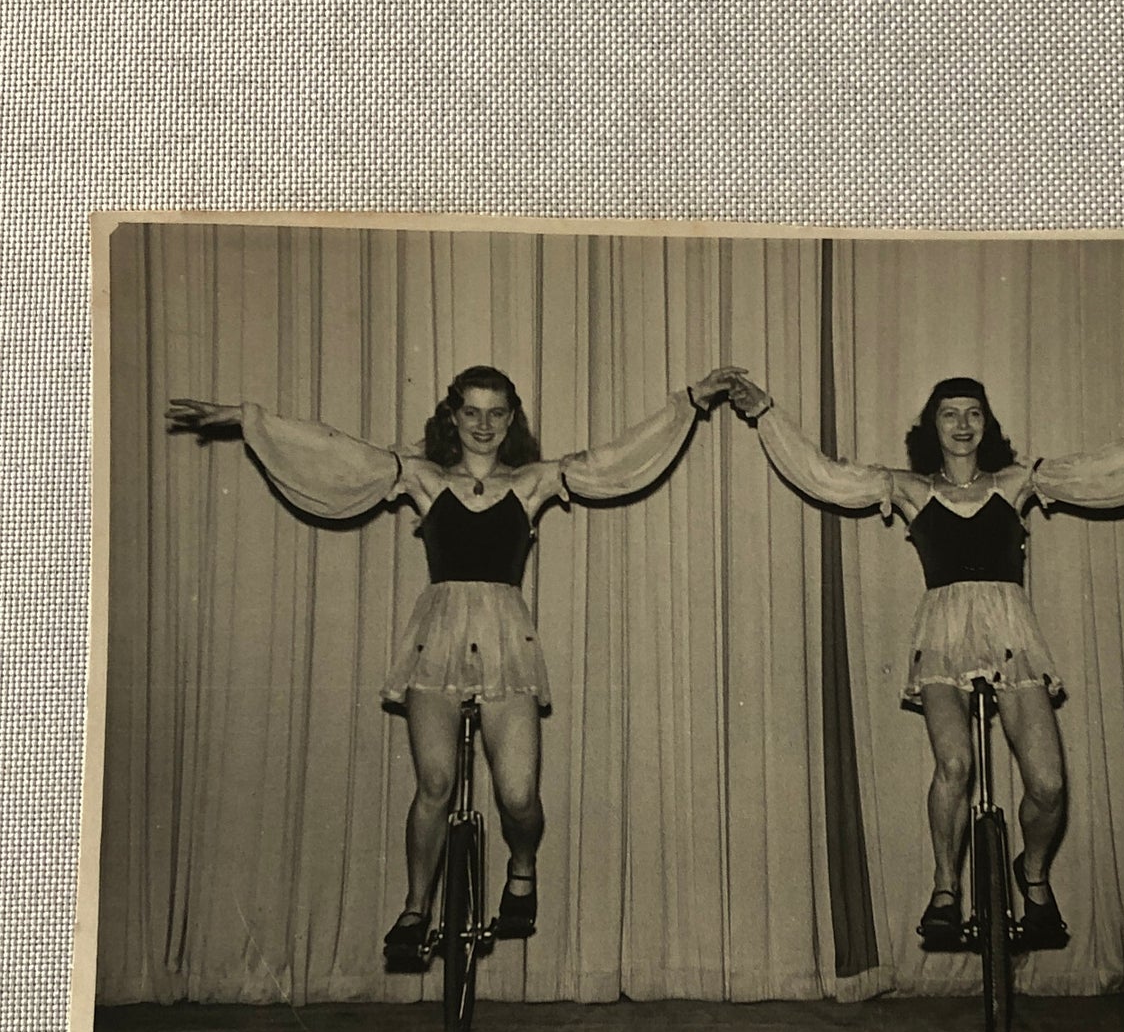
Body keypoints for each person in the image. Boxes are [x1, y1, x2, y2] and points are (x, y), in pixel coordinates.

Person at [168, 363, 742, 954]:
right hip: (436, 642)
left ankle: (522, 870)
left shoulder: (534, 482)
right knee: (435, 784)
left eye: (497, 413)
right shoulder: (420, 477)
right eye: (471, 411)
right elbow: (334, 448)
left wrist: (692, 401)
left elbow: (621, 457)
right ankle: (416, 909)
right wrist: (248, 420)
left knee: (518, 795)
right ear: (452, 415)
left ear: (512, 419)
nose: (484, 425)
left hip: (506, 646)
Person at [722, 372, 1124, 950]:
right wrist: (766, 415)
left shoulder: (1015, 481)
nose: (961, 424)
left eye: (973, 413)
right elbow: (825, 475)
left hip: (1012, 635)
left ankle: (1031, 875)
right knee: (955, 767)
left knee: (1050, 785)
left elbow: (1102, 470)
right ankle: (945, 888)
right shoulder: (909, 488)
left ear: (987, 424)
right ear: (932, 426)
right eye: (949, 413)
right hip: (944, 637)